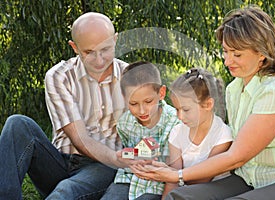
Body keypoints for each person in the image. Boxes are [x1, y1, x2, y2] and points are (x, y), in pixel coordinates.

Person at [130, 5, 275, 200]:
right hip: (247, 179)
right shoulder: (234, 89)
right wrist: (170, 172)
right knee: (179, 196)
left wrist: (177, 175)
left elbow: (237, 156)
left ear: (261, 53)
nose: (227, 61)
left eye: (237, 54)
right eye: (226, 52)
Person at [0, 12, 141, 199]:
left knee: (65, 191)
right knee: (17, 124)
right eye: (89, 52)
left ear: (115, 40)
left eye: (105, 49)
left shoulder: (131, 77)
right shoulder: (59, 76)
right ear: (74, 47)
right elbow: (80, 139)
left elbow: (159, 120)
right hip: (59, 163)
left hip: (103, 164)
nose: (99, 60)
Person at [101, 61, 180, 200]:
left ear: (161, 93)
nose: (142, 110)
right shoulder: (125, 123)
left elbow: (174, 171)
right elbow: (129, 153)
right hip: (127, 179)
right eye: (133, 104)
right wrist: (123, 156)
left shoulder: (175, 123)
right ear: (124, 98)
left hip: (157, 185)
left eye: (148, 102)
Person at [161, 68, 232, 199]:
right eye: (177, 109)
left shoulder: (223, 134)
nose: (180, 116)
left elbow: (203, 179)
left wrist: (173, 176)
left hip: (214, 192)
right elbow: (172, 181)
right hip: (185, 192)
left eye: (186, 110)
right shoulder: (177, 132)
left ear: (208, 104)